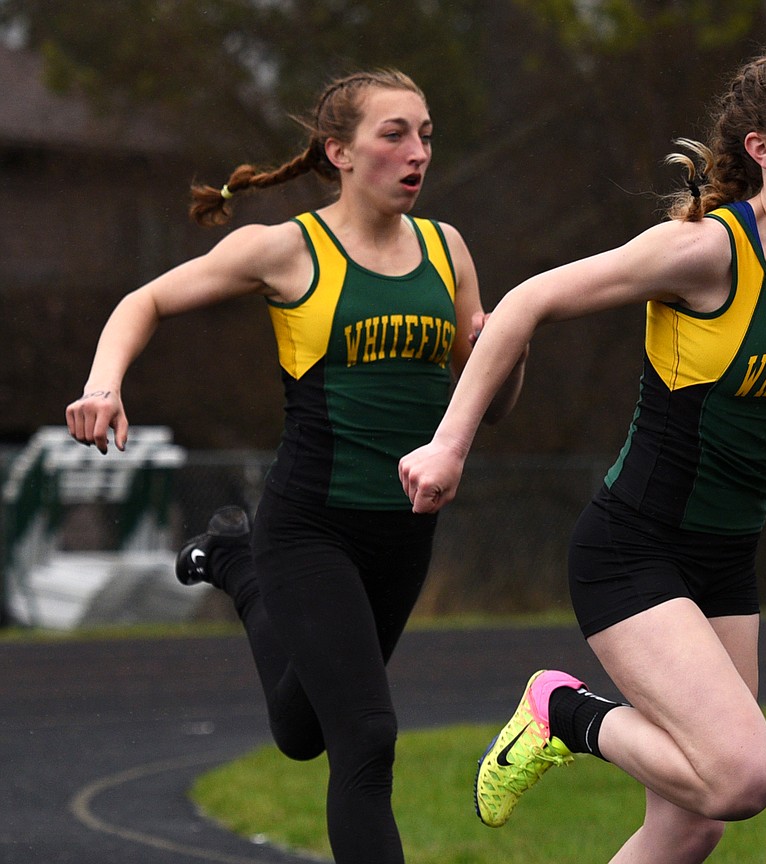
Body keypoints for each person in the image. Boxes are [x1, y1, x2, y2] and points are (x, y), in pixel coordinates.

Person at [398, 43, 766, 863]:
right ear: (763, 150)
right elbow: (526, 303)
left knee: (692, 824)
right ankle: (565, 716)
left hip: (726, 567)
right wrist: (448, 445)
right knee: (743, 778)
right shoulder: (703, 252)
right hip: (633, 551)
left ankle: (574, 725)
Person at [65, 69, 526, 864]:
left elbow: (490, 402)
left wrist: (502, 352)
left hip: (406, 529)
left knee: (302, 730)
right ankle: (252, 556)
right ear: (338, 152)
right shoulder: (284, 249)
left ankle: (235, 565)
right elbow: (142, 302)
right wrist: (103, 384)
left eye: (426, 135)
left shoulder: (448, 249)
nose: (418, 153)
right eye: (395, 135)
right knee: (368, 736)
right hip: (311, 524)